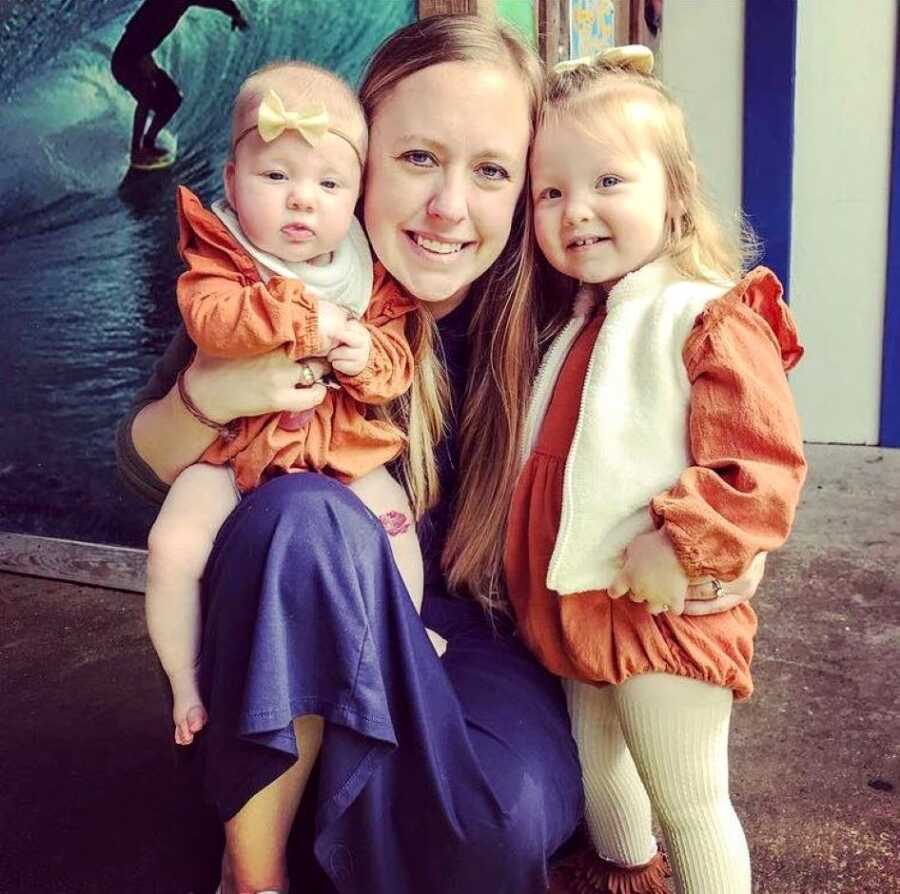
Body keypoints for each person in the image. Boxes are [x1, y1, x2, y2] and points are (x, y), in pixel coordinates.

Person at [117, 18, 763, 894]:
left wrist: (722, 551)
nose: (449, 208)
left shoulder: (572, 318)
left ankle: (354, 814)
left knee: (492, 833)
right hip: (296, 635)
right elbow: (139, 466)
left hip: (490, 639)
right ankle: (255, 870)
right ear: (360, 157)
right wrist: (210, 398)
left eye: (492, 172)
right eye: (419, 157)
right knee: (304, 515)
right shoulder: (285, 283)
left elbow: (724, 446)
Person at [506, 48, 807, 893]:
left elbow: (758, 459)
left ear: (673, 194)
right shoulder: (580, 322)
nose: (577, 212)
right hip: (578, 604)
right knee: (605, 775)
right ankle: (624, 876)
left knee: (690, 800)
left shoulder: (703, 313)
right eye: (551, 193)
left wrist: (686, 544)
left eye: (609, 182)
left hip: (664, 610)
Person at [146, 60, 443, 749]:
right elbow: (213, 320)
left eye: (328, 183)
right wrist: (305, 322)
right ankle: (185, 680)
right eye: (276, 176)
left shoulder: (366, 272)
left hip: (333, 448)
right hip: (236, 450)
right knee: (170, 547)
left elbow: (395, 366)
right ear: (230, 182)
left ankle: (407, 631)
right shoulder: (224, 256)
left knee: (396, 523)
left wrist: (364, 358)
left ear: (357, 195)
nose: (302, 200)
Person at [111, 0, 249, 167]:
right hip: (125, 61)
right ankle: (136, 152)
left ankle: (148, 142)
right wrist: (142, 61)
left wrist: (234, 12)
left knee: (173, 98)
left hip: (142, 57)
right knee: (146, 92)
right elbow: (133, 34)